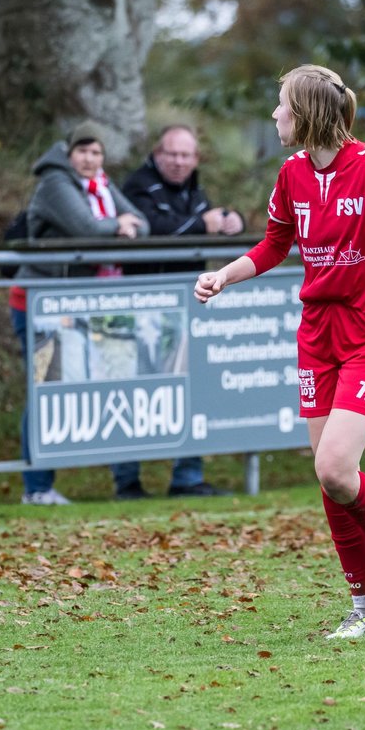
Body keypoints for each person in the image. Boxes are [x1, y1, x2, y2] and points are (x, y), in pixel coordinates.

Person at [194, 65, 365, 639]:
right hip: (317, 334)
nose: (275, 115)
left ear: (307, 112)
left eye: (282, 105)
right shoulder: (291, 174)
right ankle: (363, 609)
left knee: (337, 467)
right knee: (328, 475)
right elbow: (273, 245)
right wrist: (225, 275)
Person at [9, 120, 150, 505]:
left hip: (91, 304)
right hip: (42, 303)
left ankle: (127, 482)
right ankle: (36, 488)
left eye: (97, 152)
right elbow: (86, 227)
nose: (90, 159)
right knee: (46, 389)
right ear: (69, 154)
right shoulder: (56, 182)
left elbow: (143, 222)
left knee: (117, 382)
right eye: (83, 151)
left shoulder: (102, 184)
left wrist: (121, 225)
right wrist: (117, 225)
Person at [108, 125, 245, 499]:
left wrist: (233, 222)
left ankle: (187, 478)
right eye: (172, 154)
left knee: (191, 389)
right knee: (133, 391)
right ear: (157, 153)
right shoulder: (138, 185)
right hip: (141, 306)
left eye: (186, 155)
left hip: (186, 306)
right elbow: (154, 229)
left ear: (196, 159)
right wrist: (204, 224)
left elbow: (212, 222)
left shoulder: (193, 189)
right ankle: (127, 482)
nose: (179, 162)